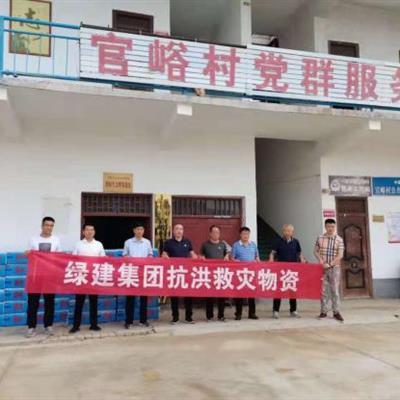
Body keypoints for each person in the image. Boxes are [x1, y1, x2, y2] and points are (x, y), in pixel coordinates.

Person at [26, 216, 61, 338]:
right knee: (33, 302)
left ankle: (48, 325)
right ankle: (31, 327)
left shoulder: (56, 240)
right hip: (35, 275)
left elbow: (58, 256)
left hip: (50, 275)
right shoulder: (33, 239)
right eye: (47, 225)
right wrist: (27, 254)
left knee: (49, 302)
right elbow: (28, 253)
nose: (49, 227)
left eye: (51, 226)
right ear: (42, 226)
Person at [69, 224, 105, 334]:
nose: (90, 232)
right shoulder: (78, 244)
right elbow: (73, 259)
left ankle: (93, 325)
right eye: (87, 230)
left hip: (94, 277)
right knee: (79, 303)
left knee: (94, 302)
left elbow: (103, 259)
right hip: (81, 277)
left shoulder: (98, 244)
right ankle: (76, 326)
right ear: (83, 232)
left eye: (92, 230)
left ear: (94, 232)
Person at [269, 224, 306, 319]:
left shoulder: (296, 242)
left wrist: (302, 259)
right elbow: (272, 253)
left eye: (289, 231)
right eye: (286, 230)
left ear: (292, 232)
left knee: (292, 290)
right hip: (280, 270)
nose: (287, 232)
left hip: (292, 270)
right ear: (283, 231)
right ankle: (275, 311)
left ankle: (293, 310)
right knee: (278, 291)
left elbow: (299, 253)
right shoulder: (278, 241)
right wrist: (271, 259)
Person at [162, 224, 197, 324]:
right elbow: (164, 254)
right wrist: (165, 256)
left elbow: (192, 253)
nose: (179, 231)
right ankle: (175, 318)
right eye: (177, 229)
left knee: (188, 295)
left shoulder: (187, 242)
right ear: (173, 231)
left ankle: (188, 317)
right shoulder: (168, 242)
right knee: (174, 296)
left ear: (183, 231)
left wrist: (195, 257)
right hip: (174, 272)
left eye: (181, 229)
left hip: (186, 272)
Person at [123, 222, 153, 329]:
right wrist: (133, 261)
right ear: (134, 230)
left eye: (141, 229)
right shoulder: (128, 242)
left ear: (143, 231)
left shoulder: (147, 242)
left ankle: (143, 320)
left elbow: (150, 255)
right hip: (132, 272)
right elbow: (125, 255)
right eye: (138, 229)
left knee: (143, 298)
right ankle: (129, 321)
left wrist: (147, 260)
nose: (140, 231)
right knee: (130, 298)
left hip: (143, 272)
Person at [314, 219, 345, 322]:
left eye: (332, 226)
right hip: (322, 268)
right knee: (323, 291)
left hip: (335, 268)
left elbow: (340, 255)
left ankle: (336, 312)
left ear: (335, 227)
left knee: (334, 290)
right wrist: (321, 260)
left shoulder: (339, 239)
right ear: (325, 227)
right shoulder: (320, 238)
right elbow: (315, 251)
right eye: (328, 226)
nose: (330, 228)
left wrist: (330, 264)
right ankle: (323, 311)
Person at [199, 225, 231, 321]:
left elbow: (227, 254)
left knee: (222, 296)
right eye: (214, 232)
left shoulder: (223, 244)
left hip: (220, 273)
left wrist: (227, 256)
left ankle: (221, 315)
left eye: (217, 232)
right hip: (209, 274)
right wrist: (202, 258)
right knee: (210, 296)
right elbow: (201, 256)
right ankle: (209, 316)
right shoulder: (205, 245)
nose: (216, 234)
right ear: (210, 233)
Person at [231, 226, 259, 320]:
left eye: (247, 234)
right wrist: (235, 261)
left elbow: (257, 257)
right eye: (244, 234)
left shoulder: (253, 245)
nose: (246, 236)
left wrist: (257, 262)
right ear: (240, 235)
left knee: (252, 294)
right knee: (239, 294)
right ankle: (238, 313)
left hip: (251, 274)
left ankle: (252, 313)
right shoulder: (236, 245)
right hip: (240, 274)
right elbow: (232, 258)